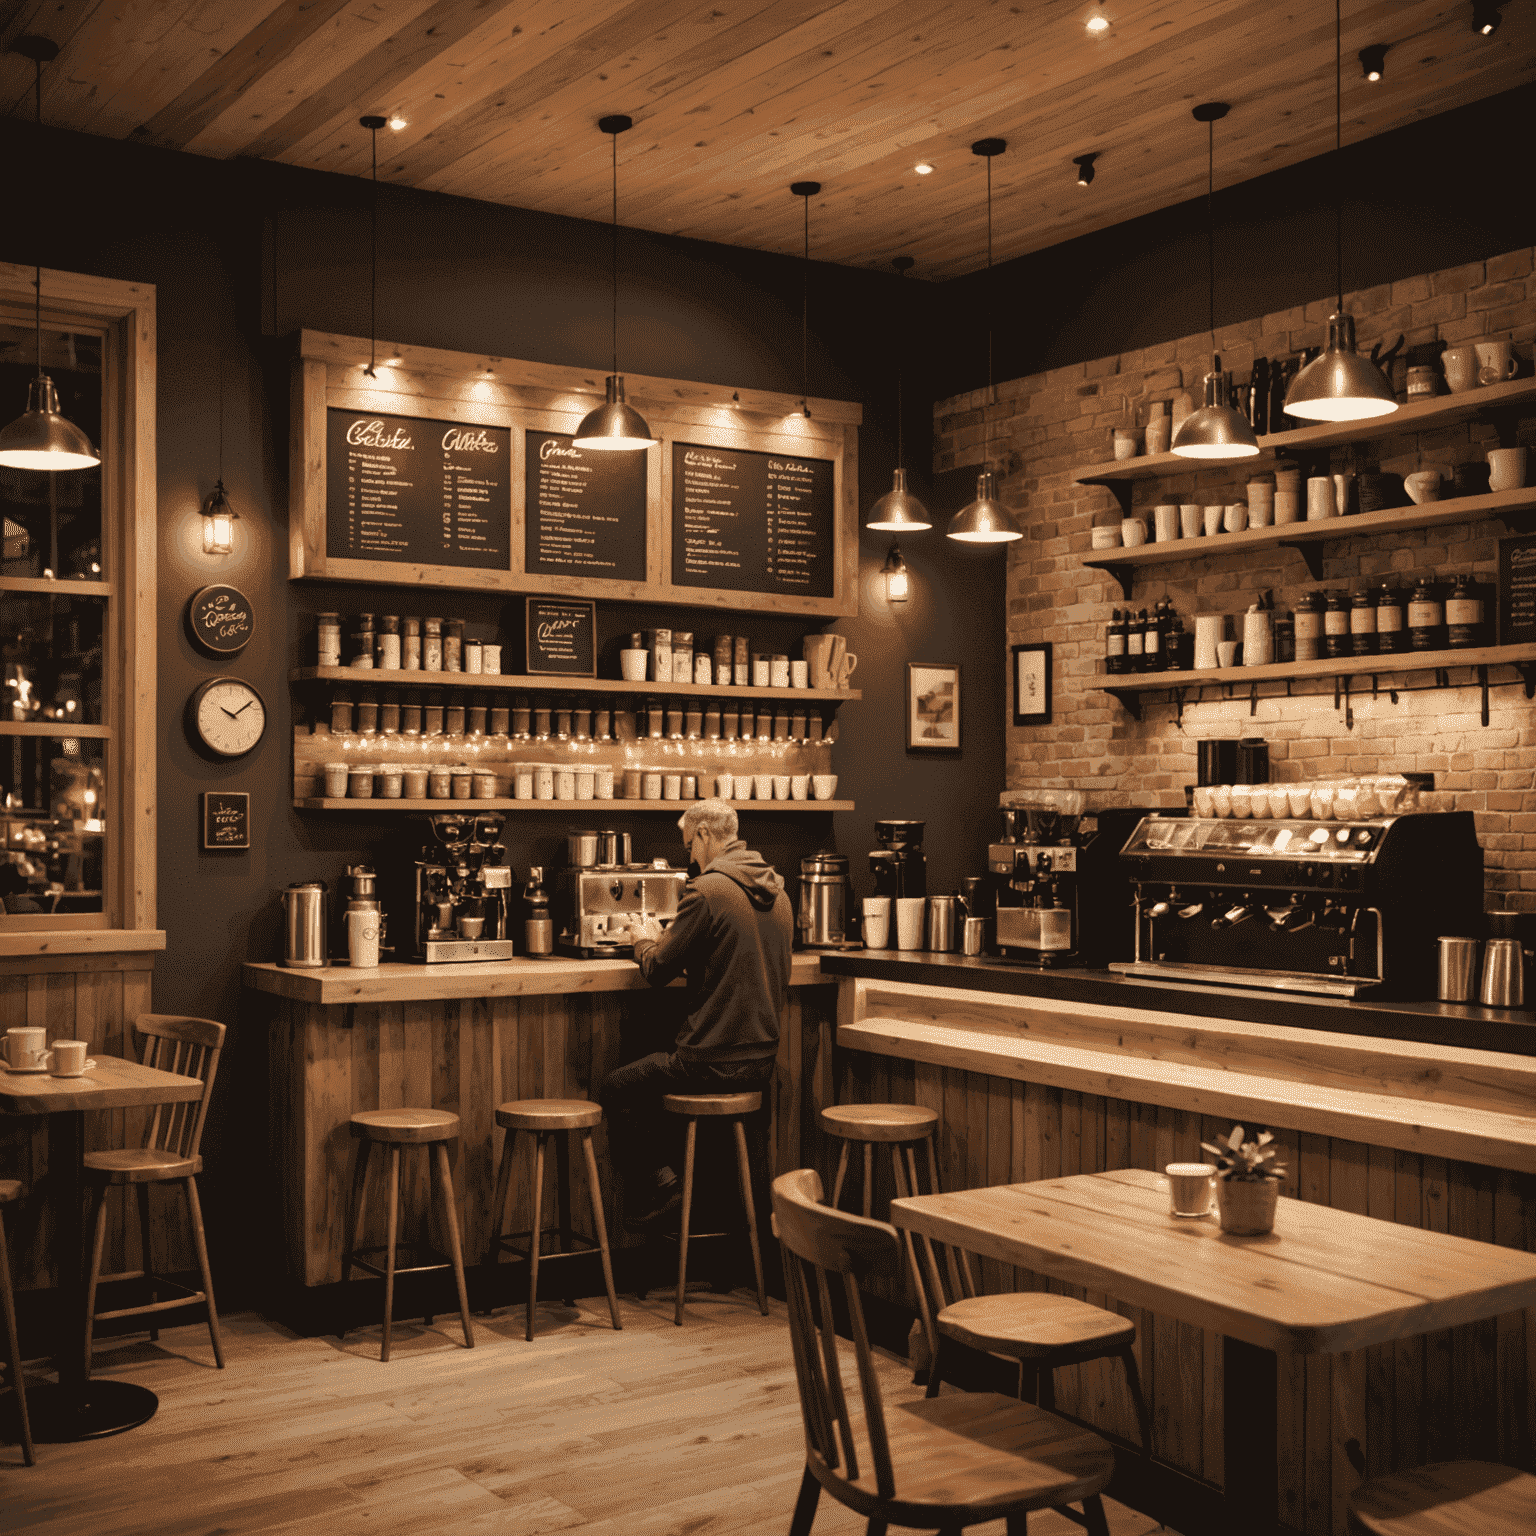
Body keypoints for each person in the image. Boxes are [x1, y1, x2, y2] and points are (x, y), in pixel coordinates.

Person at [599, 799, 793, 1226]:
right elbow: (730, 956)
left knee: (617, 1087)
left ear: (705, 835)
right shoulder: (778, 891)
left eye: (689, 846)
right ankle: (717, 1219)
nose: (690, 858)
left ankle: (665, 1189)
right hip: (761, 1064)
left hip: (709, 1063)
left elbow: (655, 970)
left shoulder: (707, 891)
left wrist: (643, 938)